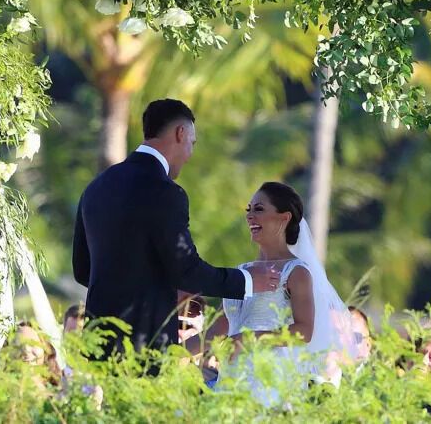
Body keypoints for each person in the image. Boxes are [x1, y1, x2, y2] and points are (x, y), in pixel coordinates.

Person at [72, 99, 281, 357]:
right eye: (192, 144)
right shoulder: (166, 192)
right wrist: (248, 281)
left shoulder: (95, 188)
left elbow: (83, 270)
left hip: (97, 341)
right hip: (145, 344)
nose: (190, 154)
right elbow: (187, 270)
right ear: (180, 134)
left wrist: (159, 288)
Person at [210, 182, 361, 402]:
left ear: (284, 218)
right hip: (231, 379)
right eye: (248, 210)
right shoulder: (241, 271)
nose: (250, 216)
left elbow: (303, 331)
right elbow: (224, 325)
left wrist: (248, 339)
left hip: (270, 383)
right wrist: (173, 351)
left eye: (259, 209)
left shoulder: (296, 271)